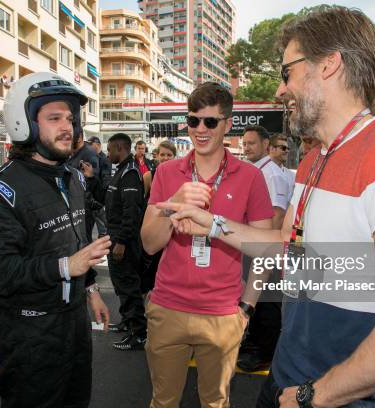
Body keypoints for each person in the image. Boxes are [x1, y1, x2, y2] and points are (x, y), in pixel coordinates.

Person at [158, 7, 375, 407]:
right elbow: (286, 246)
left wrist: (318, 394)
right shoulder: (315, 160)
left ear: (329, 65)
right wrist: (211, 225)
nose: (280, 91)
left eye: (286, 73)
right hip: (288, 377)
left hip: (341, 396)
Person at [0, 72, 111, 408]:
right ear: (24, 122)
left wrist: (90, 290)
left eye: (70, 118)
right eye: (54, 118)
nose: (67, 127)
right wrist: (66, 266)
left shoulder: (72, 177)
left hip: (74, 325)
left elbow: (73, 245)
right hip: (29, 336)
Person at [141, 82, 274, 407]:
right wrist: (173, 202)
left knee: (215, 403)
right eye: (193, 120)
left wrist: (246, 307)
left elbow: (267, 249)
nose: (200, 130)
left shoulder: (250, 177)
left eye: (210, 122)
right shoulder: (167, 173)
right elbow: (149, 244)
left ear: (228, 124)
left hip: (222, 314)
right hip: (168, 307)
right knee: (163, 402)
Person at [239, 125, 293, 373]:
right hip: (253, 244)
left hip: (266, 248)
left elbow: (278, 215)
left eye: (252, 143)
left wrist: (268, 254)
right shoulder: (254, 170)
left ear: (265, 146)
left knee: (268, 301)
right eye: (245, 143)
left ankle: (264, 353)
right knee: (254, 299)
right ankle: (253, 345)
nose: (246, 147)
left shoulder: (271, 174)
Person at [98, 133, 148, 350]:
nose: (108, 155)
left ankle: (138, 333)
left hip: (123, 240)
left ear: (120, 148)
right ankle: (128, 322)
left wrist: (122, 242)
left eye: (110, 150)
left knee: (129, 287)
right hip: (115, 236)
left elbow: (131, 212)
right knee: (120, 285)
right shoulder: (122, 170)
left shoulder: (129, 173)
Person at [141, 140, 177, 295]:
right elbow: (144, 200)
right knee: (149, 268)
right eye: (163, 154)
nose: (165, 158)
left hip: (171, 228)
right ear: (156, 155)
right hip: (152, 225)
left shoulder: (179, 177)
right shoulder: (149, 176)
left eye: (169, 155)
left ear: (174, 157)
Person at [68, 131, 101, 243]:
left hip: (84, 206)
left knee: (84, 239)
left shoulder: (88, 154)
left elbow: (93, 180)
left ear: (79, 137)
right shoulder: (72, 153)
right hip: (73, 204)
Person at [87, 136, 110, 237]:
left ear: (97, 145)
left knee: (103, 227)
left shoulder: (104, 159)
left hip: (99, 198)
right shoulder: (93, 157)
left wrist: (102, 197)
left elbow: (105, 180)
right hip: (93, 196)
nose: (89, 147)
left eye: (90, 145)